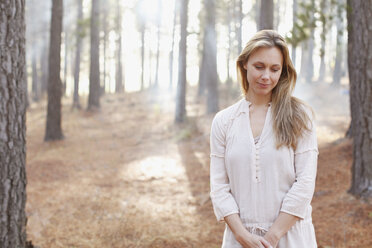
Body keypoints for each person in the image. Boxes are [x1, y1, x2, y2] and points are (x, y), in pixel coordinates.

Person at [209, 30, 318, 248]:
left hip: (291, 237)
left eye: (274, 69)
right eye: (259, 66)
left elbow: (305, 183)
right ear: (245, 65)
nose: (266, 76)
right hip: (240, 240)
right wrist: (242, 236)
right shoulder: (224, 121)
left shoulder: (299, 116)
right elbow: (219, 187)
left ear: (283, 72)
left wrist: (271, 238)